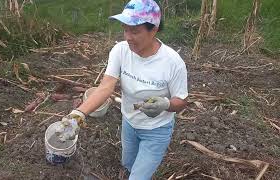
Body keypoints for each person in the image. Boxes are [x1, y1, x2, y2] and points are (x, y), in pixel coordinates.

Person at [61, 0, 188, 179]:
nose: (127, 36)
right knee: (127, 163)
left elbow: (182, 101)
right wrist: (78, 114)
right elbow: (105, 87)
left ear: (154, 30)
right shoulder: (120, 51)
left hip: (156, 130)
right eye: (125, 29)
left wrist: (166, 104)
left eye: (135, 31)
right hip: (129, 122)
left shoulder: (173, 63)